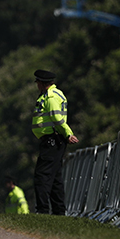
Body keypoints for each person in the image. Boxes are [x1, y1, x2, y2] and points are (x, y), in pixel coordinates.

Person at [31, 69, 79, 215]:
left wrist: (68, 134)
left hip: (52, 139)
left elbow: (57, 118)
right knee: (55, 178)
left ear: (41, 83)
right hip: (53, 139)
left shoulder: (51, 97)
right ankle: (59, 211)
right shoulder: (51, 94)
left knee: (42, 175)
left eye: (37, 82)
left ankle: (43, 210)